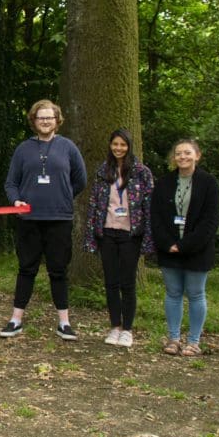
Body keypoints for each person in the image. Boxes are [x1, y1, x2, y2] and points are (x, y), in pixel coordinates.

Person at [2, 99, 87, 340]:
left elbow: (80, 180)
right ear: (34, 121)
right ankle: (16, 320)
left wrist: (63, 197)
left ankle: (64, 323)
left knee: (58, 270)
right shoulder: (23, 149)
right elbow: (11, 183)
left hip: (59, 218)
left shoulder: (68, 147)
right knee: (26, 269)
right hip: (29, 219)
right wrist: (16, 201)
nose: (46, 121)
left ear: (57, 120)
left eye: (50, 117)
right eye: (41, 118)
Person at [83, 129, 154, 348]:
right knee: (111, 282)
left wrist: (148, 237)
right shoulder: (103, 170)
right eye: (115, 144)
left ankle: (127, 330)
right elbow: (94, 203)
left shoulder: (142, 172)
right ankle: (114, 326)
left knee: (128, 283)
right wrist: (91, 234)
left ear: (129, 146)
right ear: (110, 145)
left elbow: (149, 206)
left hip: (130, 235)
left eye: (123, 144)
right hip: (107, 233)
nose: (119, 148)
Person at [151, 138, 219, 357]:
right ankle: (173, 339)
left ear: (197, 156)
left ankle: (193, 341)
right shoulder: (164, 183)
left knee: (196, 294)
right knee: (173, 293)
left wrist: (184, 245)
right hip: (169, 249)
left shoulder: (209, 183)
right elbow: (155, 217)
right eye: (179, 153)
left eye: (187, 153)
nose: (183, 157)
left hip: (197, 250)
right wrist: (168, 244)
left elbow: (210, 221)